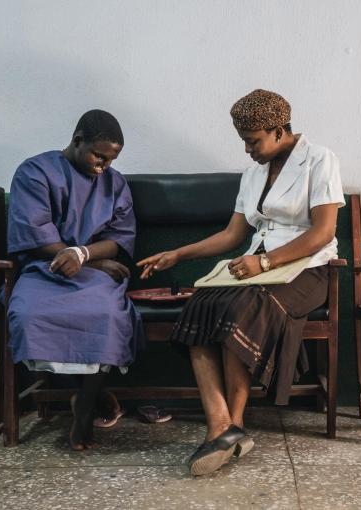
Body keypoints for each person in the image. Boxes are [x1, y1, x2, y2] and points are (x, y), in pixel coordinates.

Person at [137, 89, 344, 475]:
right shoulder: (253, 174)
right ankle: (222, 427)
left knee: (239, 308)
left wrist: (264, 261)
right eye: (244, 143)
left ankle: (232, 425)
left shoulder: (320, 160)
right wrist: (179, 254)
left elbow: (323, 231)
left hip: (307, 269)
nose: (248, 151)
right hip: (256, 266)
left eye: (253, 142)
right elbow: (233, 235)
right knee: (201, 304)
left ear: (279, 130)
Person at [6, 110, 142, 450]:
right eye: (99, 155)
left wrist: (84, 256)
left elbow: (119, 237)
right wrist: (86, 261)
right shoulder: (35, 172)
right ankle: (76, 396)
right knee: (28, 314)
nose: (104, 165)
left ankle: (85, 403)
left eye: (112, 158)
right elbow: (35, 234)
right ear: (77, 140)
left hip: (94, 270)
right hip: (45, 269)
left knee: (108, 314)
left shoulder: (115, 183)